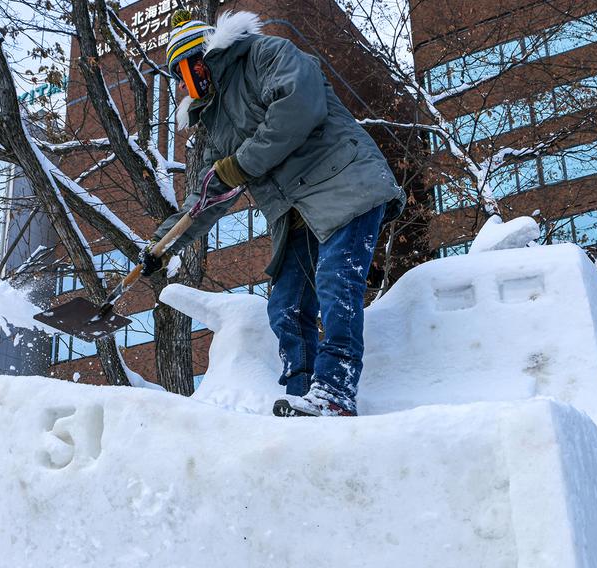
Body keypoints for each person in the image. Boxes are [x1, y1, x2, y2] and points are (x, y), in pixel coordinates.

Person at [142, 10, 406, 417]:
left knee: (337, 286)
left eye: (187, 70)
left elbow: (298, 106)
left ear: (205, 57)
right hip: (295, 212)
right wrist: (165, 244)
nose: (186, 82)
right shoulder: (213, 122)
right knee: (286, 306)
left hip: (346, 183)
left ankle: (334, 392)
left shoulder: (264, 54)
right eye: (180, 78)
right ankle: (302, 395)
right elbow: (209, 193)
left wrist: (241, 163)